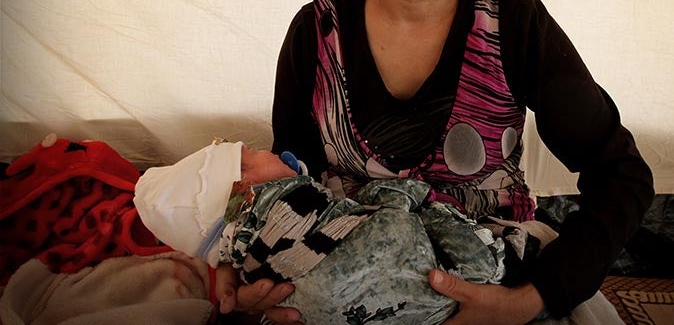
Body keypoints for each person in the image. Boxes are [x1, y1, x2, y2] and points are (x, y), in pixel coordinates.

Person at [218, 0, 654, 325]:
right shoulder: (316, 31)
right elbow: (289, 183)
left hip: (493, 282)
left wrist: (527, 301)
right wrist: (240, 262)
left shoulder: (516, 26)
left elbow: (621, 175)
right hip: (349, 286)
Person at [134, 140, 549, 325]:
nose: (271, 151)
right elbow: (384, 217)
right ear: (245, 184)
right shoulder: (300, 209)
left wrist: (232, 261)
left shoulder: (258, 259)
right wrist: (412, 196)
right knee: (538, 241)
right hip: (477, 269)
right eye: (254, 154)